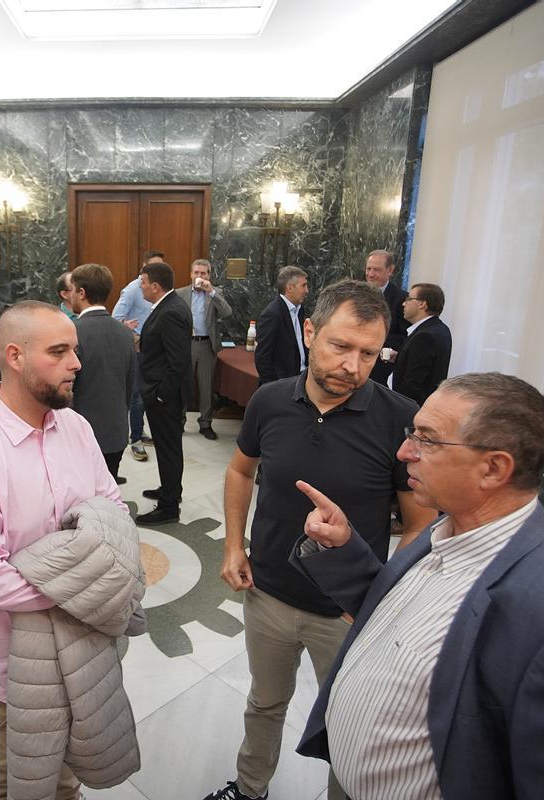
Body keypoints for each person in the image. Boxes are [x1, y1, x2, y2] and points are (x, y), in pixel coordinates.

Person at [290, 373, 544, 799]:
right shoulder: (450, 524)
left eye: (427, 440)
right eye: (412, 433)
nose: (404, 451)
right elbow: (397, 616)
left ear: (493, 468)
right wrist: (343, 549)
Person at [206, 280, 438, 800]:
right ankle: (250, 789)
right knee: (265, 702)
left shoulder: (400, 418)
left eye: (369, 354)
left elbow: (420, 523)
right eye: (340, 346)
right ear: (310, 332)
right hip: (267, 593)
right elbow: (241, 470)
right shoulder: (269, 400)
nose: (353, 366)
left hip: (346, 612)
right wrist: (233, 545)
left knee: (347, 722)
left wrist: (378, 597)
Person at [0, 301, 127, 800]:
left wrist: (68, 574)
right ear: (15, 356)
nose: (76, 364)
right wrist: (86, 584)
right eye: (59, 352)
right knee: (7, 774)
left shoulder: (77, 428)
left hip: (84, 648)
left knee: (67, 767)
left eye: (75, 351)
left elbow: (113, 515)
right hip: (14, 668)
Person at [136, 261, 193, 524]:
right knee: (166, 446)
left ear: (156, 286)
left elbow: (178, 361)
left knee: (169, 448)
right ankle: (169, 490)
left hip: (165, 397)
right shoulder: (167, 305)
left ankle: (169, 507)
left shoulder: (171, 311)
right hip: (162, 393)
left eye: (143, 282)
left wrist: (160, 394)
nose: (141, 286)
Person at [70, 263, 135, 484]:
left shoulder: (73, 332)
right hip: (116, 431)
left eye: (72, 290)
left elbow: (67, 388)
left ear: (81, 292)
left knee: (83, 495)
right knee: (108, 491)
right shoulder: (125, 333)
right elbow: (129, 385)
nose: (70, 295)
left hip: (80, 436)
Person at [113, 249, 166, 461]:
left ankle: (140, 431)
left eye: (161, 265)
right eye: (153, 265)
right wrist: (133, 334)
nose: (158, 269)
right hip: (137, 351)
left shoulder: (159, 288)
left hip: (153, 350)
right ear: (143, 267)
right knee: (136, 397)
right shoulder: (132, 290)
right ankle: (135, 440)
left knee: (146, 396)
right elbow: (115, 318)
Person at [176, 258, 233, 439]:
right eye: (197, 273)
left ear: (209, 275)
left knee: (206, 387)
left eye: (203, 273)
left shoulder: (215, 293)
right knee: (182, 385)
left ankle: (206, 423)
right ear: (191, 274)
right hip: (185, 345)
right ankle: (179, 421)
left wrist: (212, 292)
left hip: (207, 345)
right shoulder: (180, 293)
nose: (200, 276)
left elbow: (227, 313)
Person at [391, 282, 452, 404]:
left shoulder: (425, 336)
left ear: (422, 304)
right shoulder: (440, 328)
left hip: (410, 407)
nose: (403, 304)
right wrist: (400, 358)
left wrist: (396, 406)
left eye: (408, 299)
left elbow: (413, 383)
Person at [253, 266, 309, 385]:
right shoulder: (272, 314)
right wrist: (273, 385)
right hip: (282, 383)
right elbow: (262, 356)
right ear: (290, 288)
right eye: (303, 286)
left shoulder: (300, 310)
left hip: (301, 377)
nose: (307, 291)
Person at [363, 249, 409, 385]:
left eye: (376, 270)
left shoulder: (402, 299)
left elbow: (405, 336)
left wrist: (373, 340)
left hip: (382, 371)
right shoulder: (355, 294)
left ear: (390, 270)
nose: (371, 274)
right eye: (368, 269)